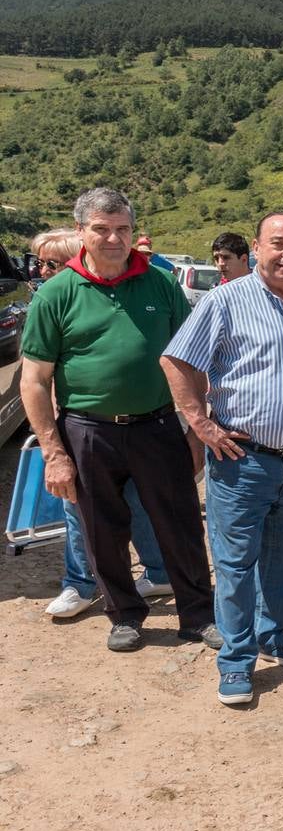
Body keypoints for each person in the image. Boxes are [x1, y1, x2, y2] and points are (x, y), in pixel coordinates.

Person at [19, 188, 217, 653]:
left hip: (158, 425)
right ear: (83, 232)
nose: (114, 238)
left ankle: (198, 614)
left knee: (181, 522)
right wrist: (53, 452)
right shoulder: (56, 293)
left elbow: (189, 360)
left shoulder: (161, 284)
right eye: (102, 229)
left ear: (133, 231)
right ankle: (124, 614)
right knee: (100, 529)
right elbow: (33, 381)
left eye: (122, 229)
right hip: (88, 430)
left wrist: (197, 426)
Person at [161, 212, 283, 707]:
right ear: (258, 248)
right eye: (277, 244)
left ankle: (273, 634)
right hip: (243, 461)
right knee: (237, 564)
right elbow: (176, 360)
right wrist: (201, 425)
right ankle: (236, 661)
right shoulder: (225, 300)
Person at [28, 228, 174, 618]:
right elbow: (36, 377)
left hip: (141, 424)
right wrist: (51, 441)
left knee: (132, 504)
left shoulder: (152, 285)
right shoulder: (53, 298)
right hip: (82, 424)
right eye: (40, 264)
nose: (44, 271)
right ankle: (83, 581)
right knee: (82, 508)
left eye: (53, 264)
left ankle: (142, 574)